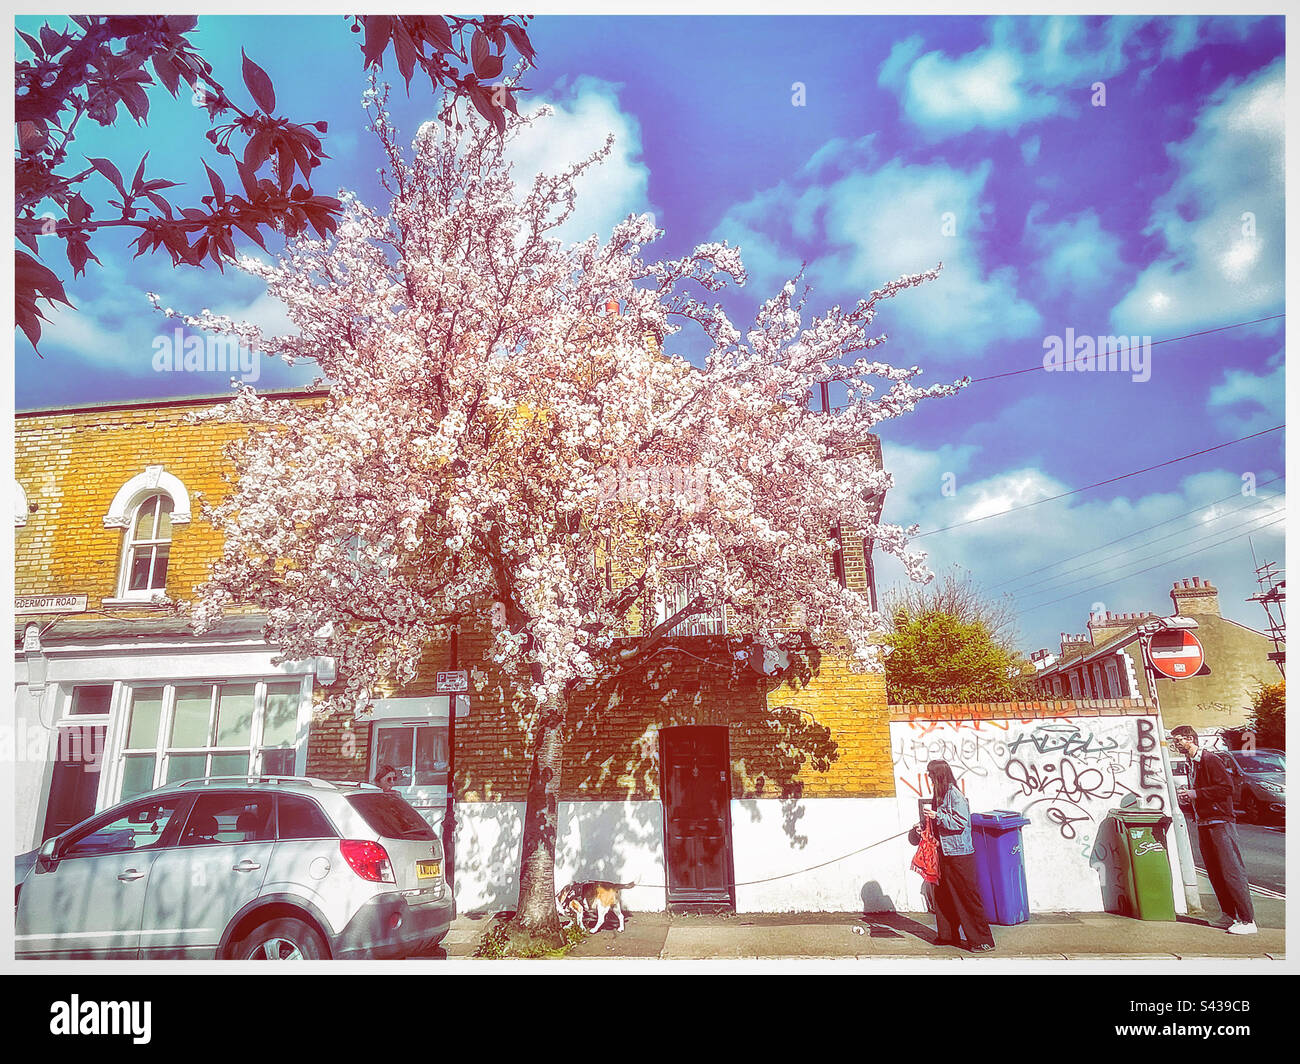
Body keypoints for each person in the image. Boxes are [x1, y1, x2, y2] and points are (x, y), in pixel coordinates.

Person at [1169, 726, 1257, 935]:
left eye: (1179, 740)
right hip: (1205, 821)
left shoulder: (1210, 760)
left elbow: (1226, 788)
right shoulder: (1192, 763)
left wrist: (1195, 794)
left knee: (1231, 870)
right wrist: (1191, 797)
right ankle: (1228, 915)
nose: (1176, 744)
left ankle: (1247, 920)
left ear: (1190, 739)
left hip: (1220, 821)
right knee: (1216, 873)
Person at [920, 759, 995, 953]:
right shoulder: (940, 795)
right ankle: (947, 934)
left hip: (960, 854)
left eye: (931, 774)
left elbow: (961, 822)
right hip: (944, 852)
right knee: (943, 895)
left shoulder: (954, 795)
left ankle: (982, 940)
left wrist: (939, 817)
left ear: (939, 775)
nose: (929, 778)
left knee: (967, 896)